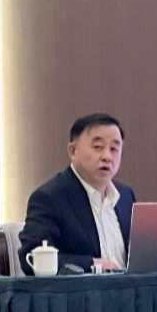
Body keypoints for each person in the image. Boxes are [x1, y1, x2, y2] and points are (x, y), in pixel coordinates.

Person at [18, 113, 136, 275]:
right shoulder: (49, 198)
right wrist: (92, 264)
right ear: (73, 151)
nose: (107, 157)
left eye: (114, 149)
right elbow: (31, 258)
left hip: (132, 290)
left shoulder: (126, 197)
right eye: (98, 147)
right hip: (83, 291)